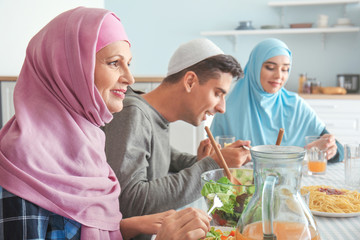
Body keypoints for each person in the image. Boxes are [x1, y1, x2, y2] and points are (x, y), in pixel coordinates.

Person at [0, 7, 210, 240]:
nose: (129, 79)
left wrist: (128, 226)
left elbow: (80, 230)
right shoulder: (21, 159)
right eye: (113, 63)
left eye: (128, 64)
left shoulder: (89, 141)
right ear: (70, 69)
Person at [103, 38, 250, 231]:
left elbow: (166, 156)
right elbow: (131, 201)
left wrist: (211, 160)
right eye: (217, 93)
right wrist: (213, 164)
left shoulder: (151, 116)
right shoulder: (133, 114)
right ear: (190, 81)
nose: (222, 107)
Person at [210, 38, 343, 163]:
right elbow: (213, 159)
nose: (279, 75)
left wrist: (331, 148)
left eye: (285, 69)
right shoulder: (227, 107)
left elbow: (337, 149)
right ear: (254, 68)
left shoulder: (295, 105)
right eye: (270, 67)